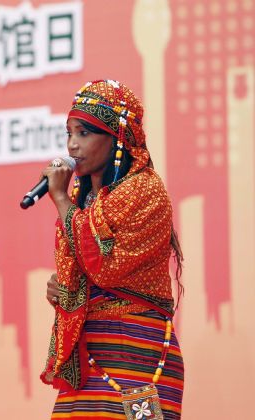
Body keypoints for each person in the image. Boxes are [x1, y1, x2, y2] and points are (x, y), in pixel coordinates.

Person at [39, 80, 184, 419]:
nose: (72, 146)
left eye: (84, 134)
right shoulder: (82, 200)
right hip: (90, 358)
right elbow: (88, 273)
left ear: (117, 138)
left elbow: (105, 267)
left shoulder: (146, 190)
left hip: (139, 354)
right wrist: (64, 291)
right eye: (69, 133)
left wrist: (60, 199)